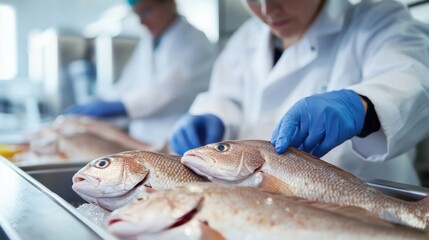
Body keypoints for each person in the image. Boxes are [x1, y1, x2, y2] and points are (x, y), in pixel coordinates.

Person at [169, 0, 429, 185]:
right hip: (264, 206)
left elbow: (413, 78)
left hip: (367, 206)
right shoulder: (246, 37)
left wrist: (363, 106)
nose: (268, 9)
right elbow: (226, 96)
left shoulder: (378, 20)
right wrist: (213, 115)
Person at [64, 0, 216, 149]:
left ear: (169, 3)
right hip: (140, 141)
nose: (142, 22)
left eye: (146, 11)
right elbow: (127, 82)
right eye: (137, 15)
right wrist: (100, 101)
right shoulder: (148, 41)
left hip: (175, 142)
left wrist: (122, 106)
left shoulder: (194, 41)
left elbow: (169, 89)